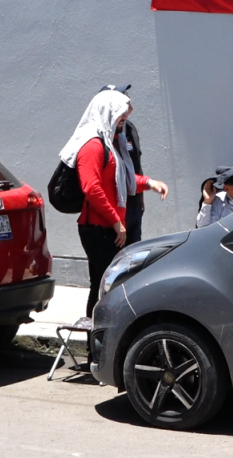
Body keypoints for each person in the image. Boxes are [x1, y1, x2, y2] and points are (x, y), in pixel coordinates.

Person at [58, 89, 169, 317]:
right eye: (120, 116)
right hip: (98, 230)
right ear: (107, 112)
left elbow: (121, 180)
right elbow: (92, 188)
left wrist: (149, 183)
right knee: (107, 288)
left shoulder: (108, 144)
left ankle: (97, 346)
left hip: (109, 228)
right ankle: (97, 344)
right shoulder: (92, 146)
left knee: (104, 286)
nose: (124, 120)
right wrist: (116, 221)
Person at [100, 84, 145, 245]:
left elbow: (136, 163)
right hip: (112, 211)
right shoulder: (98, 136)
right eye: (124, 103)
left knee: (134, 258)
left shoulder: (129, 129)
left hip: (133, 205)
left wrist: (140, 199)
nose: (130, 108)